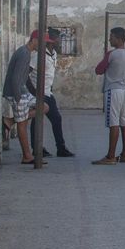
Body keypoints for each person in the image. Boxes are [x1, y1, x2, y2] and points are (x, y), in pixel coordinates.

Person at [2, 31, 49, 165]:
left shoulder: (26, 52)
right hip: (17, 93)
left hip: (22, 92)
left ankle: (9, 121)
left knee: (44, 107)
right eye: (42, 42)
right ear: (34, 40)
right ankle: (27, 156)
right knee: (23, 124)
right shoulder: (24, 53)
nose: (43, 45)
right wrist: (18, 98)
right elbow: (16, 78)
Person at [92, 26, 125, 165]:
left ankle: (110, 156)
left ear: (119, 39)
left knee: (113, 122)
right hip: (123, 90)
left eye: (112, 37)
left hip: (112, 90)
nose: (110, 39)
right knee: (124, 121)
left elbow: (98, 70)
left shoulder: (111, 54)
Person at [31, 28, 74, 157]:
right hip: (39, 92)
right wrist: (33, 92)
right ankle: (37, 148)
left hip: (47, 92)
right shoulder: (37, 55)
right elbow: (26, 74)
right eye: (58, 39)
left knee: (55, 119)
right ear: (51, 41)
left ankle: (60, 148)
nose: (60, 42)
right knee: (37, 119)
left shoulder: (53, 53)